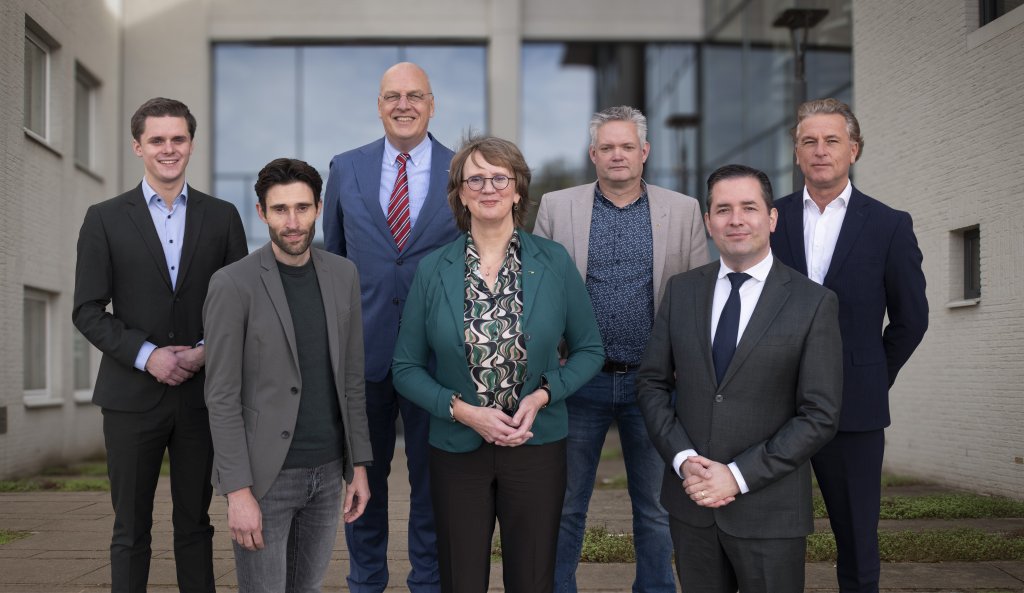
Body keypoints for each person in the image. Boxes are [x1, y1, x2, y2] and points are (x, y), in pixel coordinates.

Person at [391, 136, 605, 593]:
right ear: (461, 193)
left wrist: (545, 394)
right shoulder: (433, 270)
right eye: (476, 179)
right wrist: (462, 411)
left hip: (537, 445)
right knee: (461, 580)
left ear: (517, 190)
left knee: (531, 580)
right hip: (456, 449)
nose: (488, 188)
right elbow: (405, 367)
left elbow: (589, 350)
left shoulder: (553, 261)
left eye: (499, 178)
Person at [637, 164, 844, 592]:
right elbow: (653, 384)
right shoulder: (681, 291)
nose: (735, 219)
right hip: (691, 503)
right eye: (723, 209)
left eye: (749, 207)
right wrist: (682, 460)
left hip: (770, 510)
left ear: (771, 218)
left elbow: (819, 415)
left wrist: (737, 475)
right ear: (709, 221)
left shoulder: (813, 303)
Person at [72, 97, 248, 593]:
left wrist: (205, 351)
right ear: (138, 147)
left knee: (195, 525)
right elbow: (87, 310)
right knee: (130, 530)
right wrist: (149, 357)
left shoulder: (222, 217)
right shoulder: (104, 218)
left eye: (178, 139)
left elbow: (240, 307)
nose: (168, 149)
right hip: (130, 398)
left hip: (201, 397)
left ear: (190, 144)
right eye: (157, 140)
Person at [535, 105, 708, 593]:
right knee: (566, 505)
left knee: (655, 506)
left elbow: (696, 299)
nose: (617, 155)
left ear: (644, 152)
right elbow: (537, 293)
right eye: (607, 147)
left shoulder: (684, 210)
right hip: (577, 382)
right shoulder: (556, 206)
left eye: (626, 146)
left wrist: (683, 371)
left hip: (653, 384)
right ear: (593, 154)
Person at [770, 98, 929, 593]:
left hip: (855, 409)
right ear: (796, 153)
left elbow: (911, 318)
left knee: (858, 541)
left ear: (853, 150)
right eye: (809, 141)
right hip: (771, 404)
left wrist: (873, 375)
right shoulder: (767, 221)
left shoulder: (888, 224)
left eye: (832, 140)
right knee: (769, 536)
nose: (820, 151)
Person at [203, 158, 372, 593]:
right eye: (280, 210)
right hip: (265, 479)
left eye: (302, 207)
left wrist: (359, 466)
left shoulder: (343, 275)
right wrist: (237, 491)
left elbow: (352, 379)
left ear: (318, 207)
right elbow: (221, 396)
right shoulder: (231, 283)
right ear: (261, 213)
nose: (292, 222)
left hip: (328, 471)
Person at [323, 61, 458, 593]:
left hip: (439, 360)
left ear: (431, 104)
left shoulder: (462, 169)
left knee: (434, 488)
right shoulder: (346, 168)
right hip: (364, 355)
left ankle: (428, 583)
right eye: (392, 96)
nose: (404, 105)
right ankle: (366, 583)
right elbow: (331, 260)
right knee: (362, 485)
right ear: (379, 105)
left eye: (415, 96)